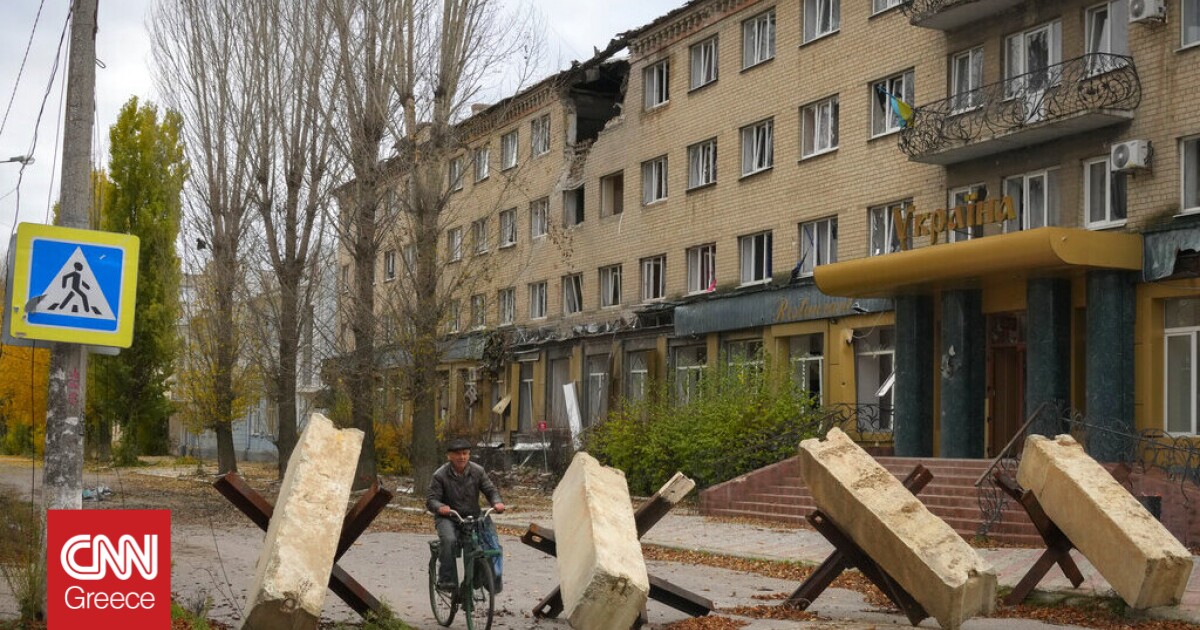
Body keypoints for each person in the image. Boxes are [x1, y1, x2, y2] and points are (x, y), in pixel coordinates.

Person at [427, 438, 505, 590]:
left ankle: (480, 580)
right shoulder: (440, 475)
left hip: (472, 516)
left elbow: (490, 490)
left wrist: (497, 502)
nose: (462, 457)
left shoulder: (478, 471)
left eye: (465, 453)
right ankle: (447, 579)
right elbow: (431, 500)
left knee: (485, 545)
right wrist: (440, 507)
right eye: (458, 454)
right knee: (449, 540)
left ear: (469, 454)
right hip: (449, 517)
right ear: (449, 456)